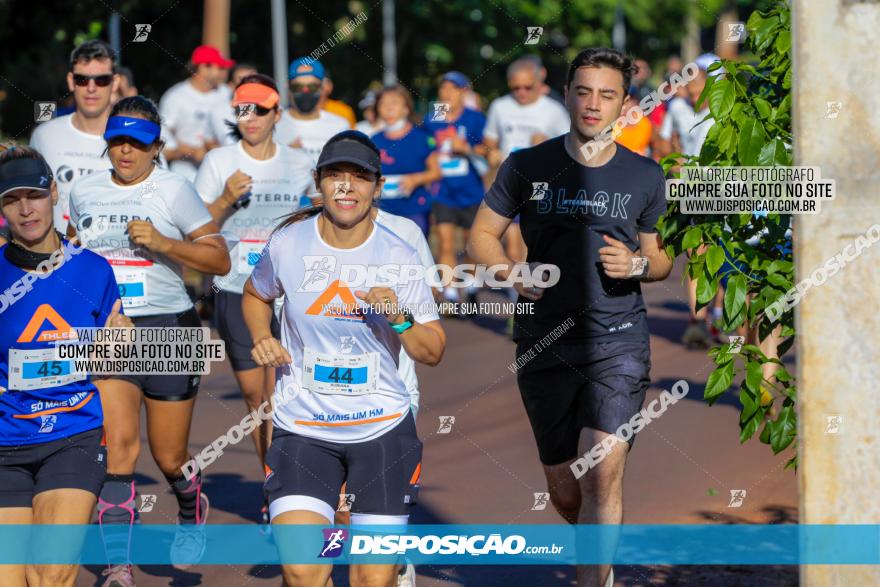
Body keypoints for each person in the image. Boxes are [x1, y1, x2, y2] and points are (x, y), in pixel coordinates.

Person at [468, 47, 674, 587]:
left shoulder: (645, 176)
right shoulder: (527, 165)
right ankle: (595, 563)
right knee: (566, 488)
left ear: (626, 106)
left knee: (603, 470)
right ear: (565, 95)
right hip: (543, 342)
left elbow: (661, 259)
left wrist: (636, 264)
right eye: (583, 91)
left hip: (618, 339)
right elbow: (482, 235)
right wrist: (512, 274)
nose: (592, 103)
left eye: (607, 95)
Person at [243, 129, 445, 587]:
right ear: (319, 182)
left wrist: (399, 316)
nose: (347, 186)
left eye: (360, 177)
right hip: (302, 430)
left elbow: (432, 351)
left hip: (381, 431)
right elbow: (256, 293)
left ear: (377, 186)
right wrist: (261, 334)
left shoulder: (399, 252)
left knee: (371, 578)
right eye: (336, 175)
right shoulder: (288, 243)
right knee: (302, 568)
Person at [67, 96, 230, 585]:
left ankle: (189, 502)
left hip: (167, 328)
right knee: (116, 449)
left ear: (156, 147)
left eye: (137, 144)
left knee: (168, 456)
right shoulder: (85, 192)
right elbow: (75, 255)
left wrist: (163, 243)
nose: (125, 152)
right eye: (117, 141)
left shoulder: (174, 189)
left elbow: (218, 260)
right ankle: (119, 566)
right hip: (108, 330)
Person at [0, 145, 131, 587]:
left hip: (72, 435)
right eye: (11, 199)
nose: (25, 209)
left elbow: (111, 362)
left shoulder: (94, 271)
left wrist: (119, 345)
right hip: (5, 443)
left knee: (50, 573)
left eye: (33, 195)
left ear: (54, 193)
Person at [194, 74, 313, 525]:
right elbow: (197, 227)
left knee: (282, 393)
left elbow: (320, 216)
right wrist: (225, 198)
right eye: (242, 109)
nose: (250, 118)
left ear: (277, 113)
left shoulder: (300, 162)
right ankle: (273, 478)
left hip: (291, 291)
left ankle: (285, 487)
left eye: (259, 109)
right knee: (255, 398)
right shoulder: (219, 161)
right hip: (235, 289)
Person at [483, 56, 570, 295]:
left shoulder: (554, 110)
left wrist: (549, 144)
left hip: (543, 186)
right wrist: (491, 152)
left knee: (536, 246)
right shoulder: (499, 107)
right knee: (512, 241)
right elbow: (488, 141)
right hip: (510, 183)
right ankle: (517, 301)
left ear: (538, 81)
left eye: (527, 87)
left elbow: (573, 149)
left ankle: (544, 292)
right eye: (515, 88)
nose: (521, 92)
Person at [30, 39, 119, 232]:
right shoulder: (44, 136)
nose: (91, 88)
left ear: (115, 82)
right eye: (82, 79)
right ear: (71, 81)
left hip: (116, 259)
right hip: (56, 258)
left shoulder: (133, 140)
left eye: (102, 80)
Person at [423, 71, 487, 303]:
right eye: (444, 88)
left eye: (453, 88)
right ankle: (450, 294)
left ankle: (470, 288)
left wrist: (467, 148)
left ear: (464, 92)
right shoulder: (434, 118)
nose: (447, 93)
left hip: (470, 189)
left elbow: (488, 150)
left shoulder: (474, 118)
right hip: (442, 190)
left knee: (472, 246)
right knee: (446, 241)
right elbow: (425, 145)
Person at [371, 85, 441, 236]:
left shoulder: (422, 138)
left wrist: (415, 179)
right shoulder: (373, 141)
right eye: (383, 104)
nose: (389, 108)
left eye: (394, 103)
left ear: (406, 109)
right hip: (382, 211)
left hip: (415, 210)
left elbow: (436, 172)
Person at [159, 44, 234, 181]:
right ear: (203, 67)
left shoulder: (226, 94)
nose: (225, 72)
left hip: (220, 172)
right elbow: (162, 135)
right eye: (221, 67)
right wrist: (189, 151)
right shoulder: (176, 96)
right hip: (185, 173)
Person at [275, 58, 350, 165]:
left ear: (323, 88)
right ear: (288, 87)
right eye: (298, 87)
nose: (305, 92)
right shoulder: (274, 125)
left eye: (312, 87)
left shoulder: (340, 126)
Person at [210, 62, 259, 147]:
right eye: (242, 81)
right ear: (231, 86)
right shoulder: (217, 112)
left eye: (254, 80)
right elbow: (209, 141)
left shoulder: (272, 110)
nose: (250, 85)